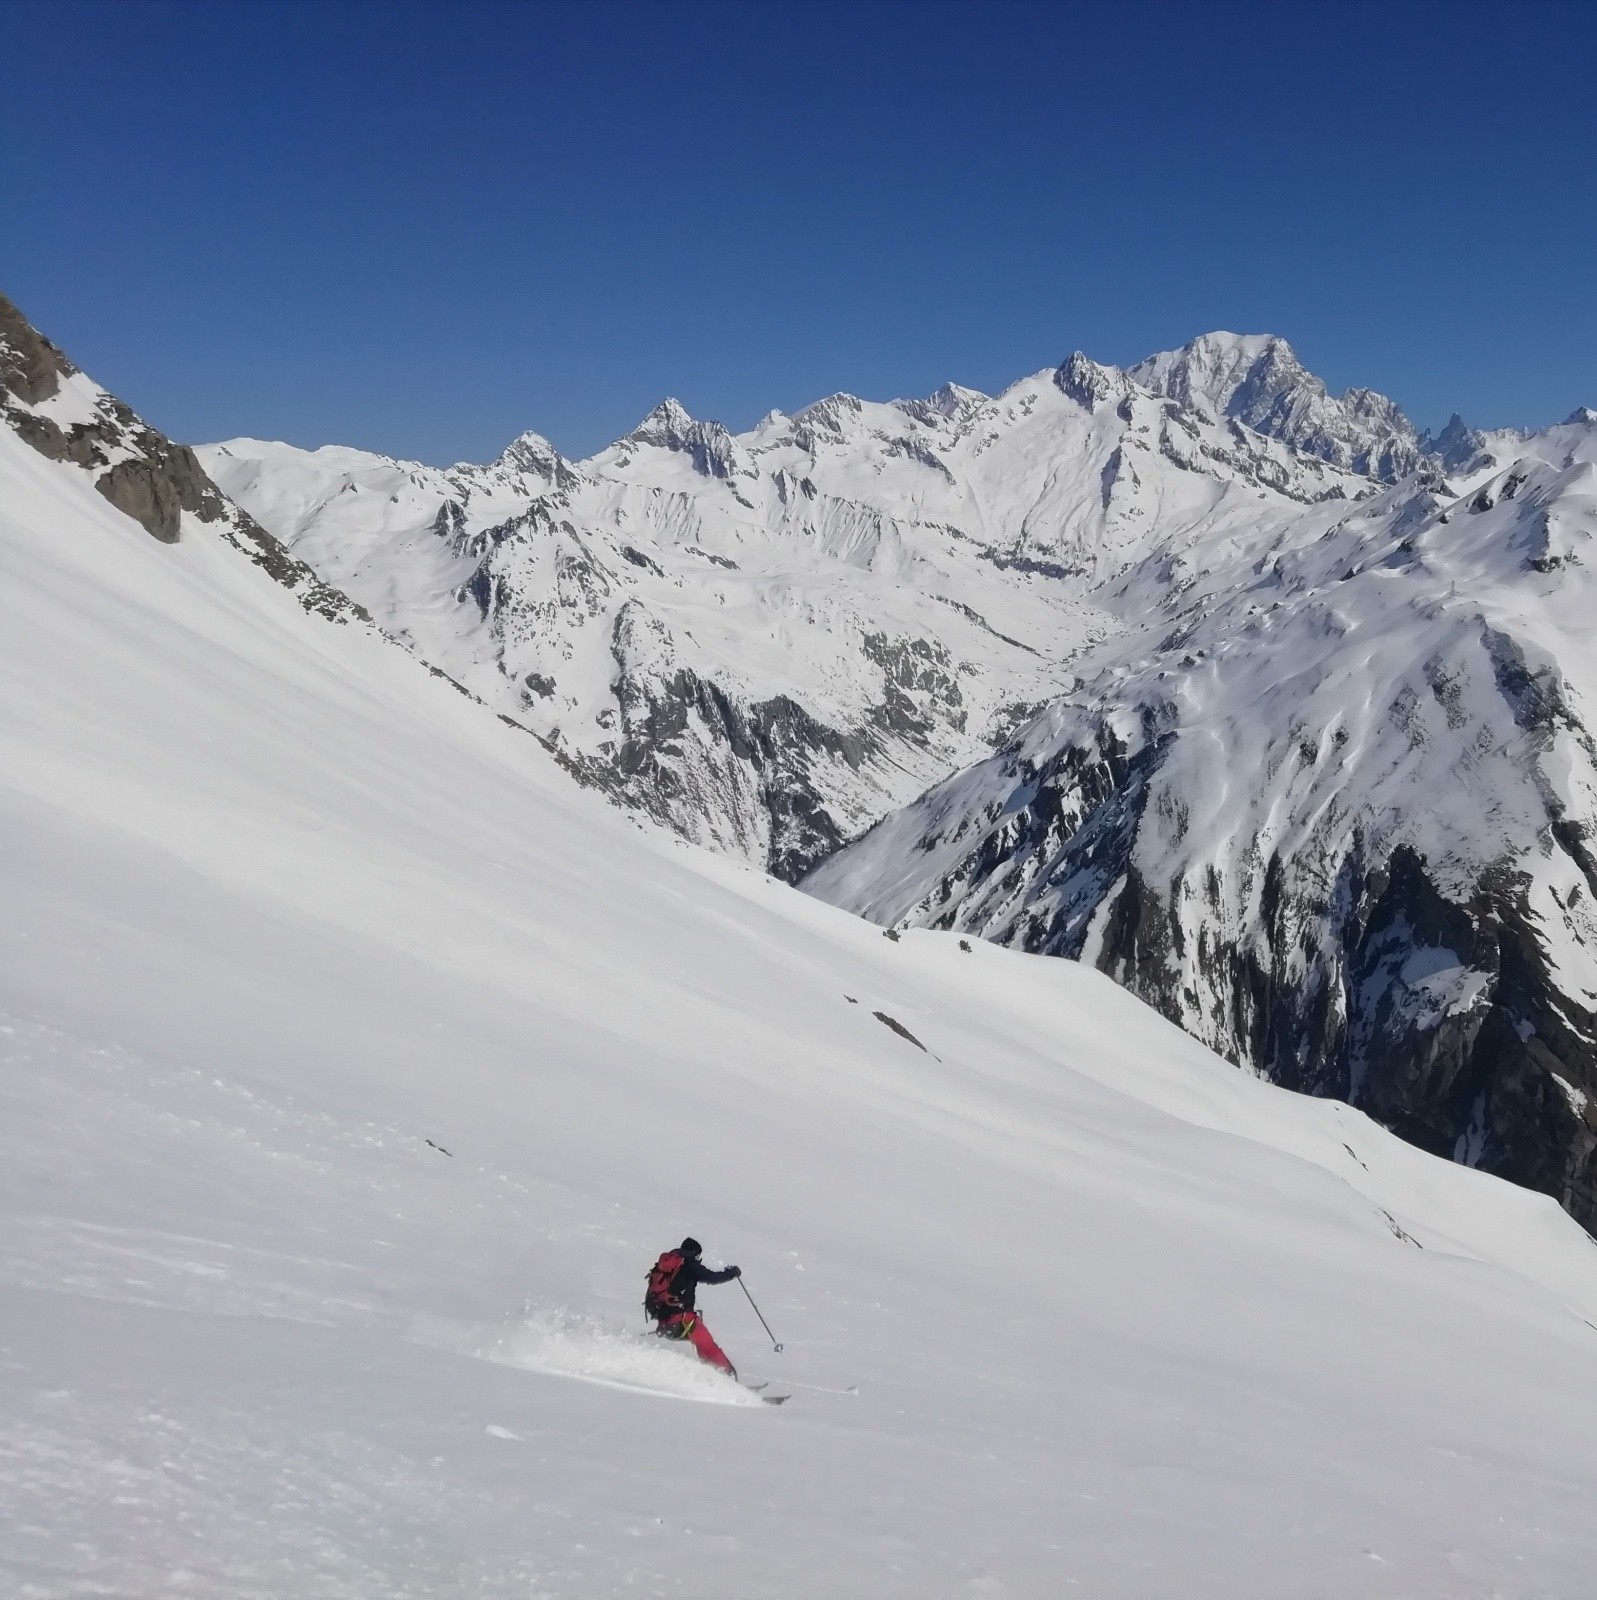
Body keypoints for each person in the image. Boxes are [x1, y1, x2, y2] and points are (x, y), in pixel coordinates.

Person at [644, 1237, 741, 1377]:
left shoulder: (667, 1267)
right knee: (709, 1347)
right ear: (695, 1253)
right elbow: (712, 1277)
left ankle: (707, 1377)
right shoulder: (690, 1265)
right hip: (683, 1320)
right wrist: (732, 1273)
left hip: (665, 1324)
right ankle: (729, 1376)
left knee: (700, 1347)